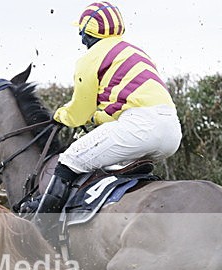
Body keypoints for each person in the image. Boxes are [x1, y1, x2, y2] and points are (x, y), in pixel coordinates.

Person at [29, 1, 182, 217]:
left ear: (87, 33)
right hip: (172, 132)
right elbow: (119, 106)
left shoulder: (90, 58)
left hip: (140, 127)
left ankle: (43, 223)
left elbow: (80, 110)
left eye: (81, 32)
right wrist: (97, 118)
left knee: (69, 159)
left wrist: (60, 116)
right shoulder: (136, 52)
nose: (80, 38)